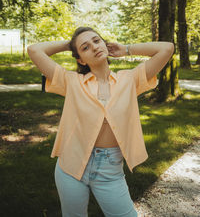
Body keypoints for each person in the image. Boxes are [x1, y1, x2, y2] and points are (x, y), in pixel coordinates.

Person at [27, 26, 174, 217]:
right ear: (80, 59)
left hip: (110, 169)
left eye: (97, 41)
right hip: (71, 166)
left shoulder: (129, 79)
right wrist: (70, 44)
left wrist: (127, 49)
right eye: (85, 48)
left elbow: (167, 48)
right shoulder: (72, 82)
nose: (94, 47)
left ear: (104, 43)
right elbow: (34, 50)